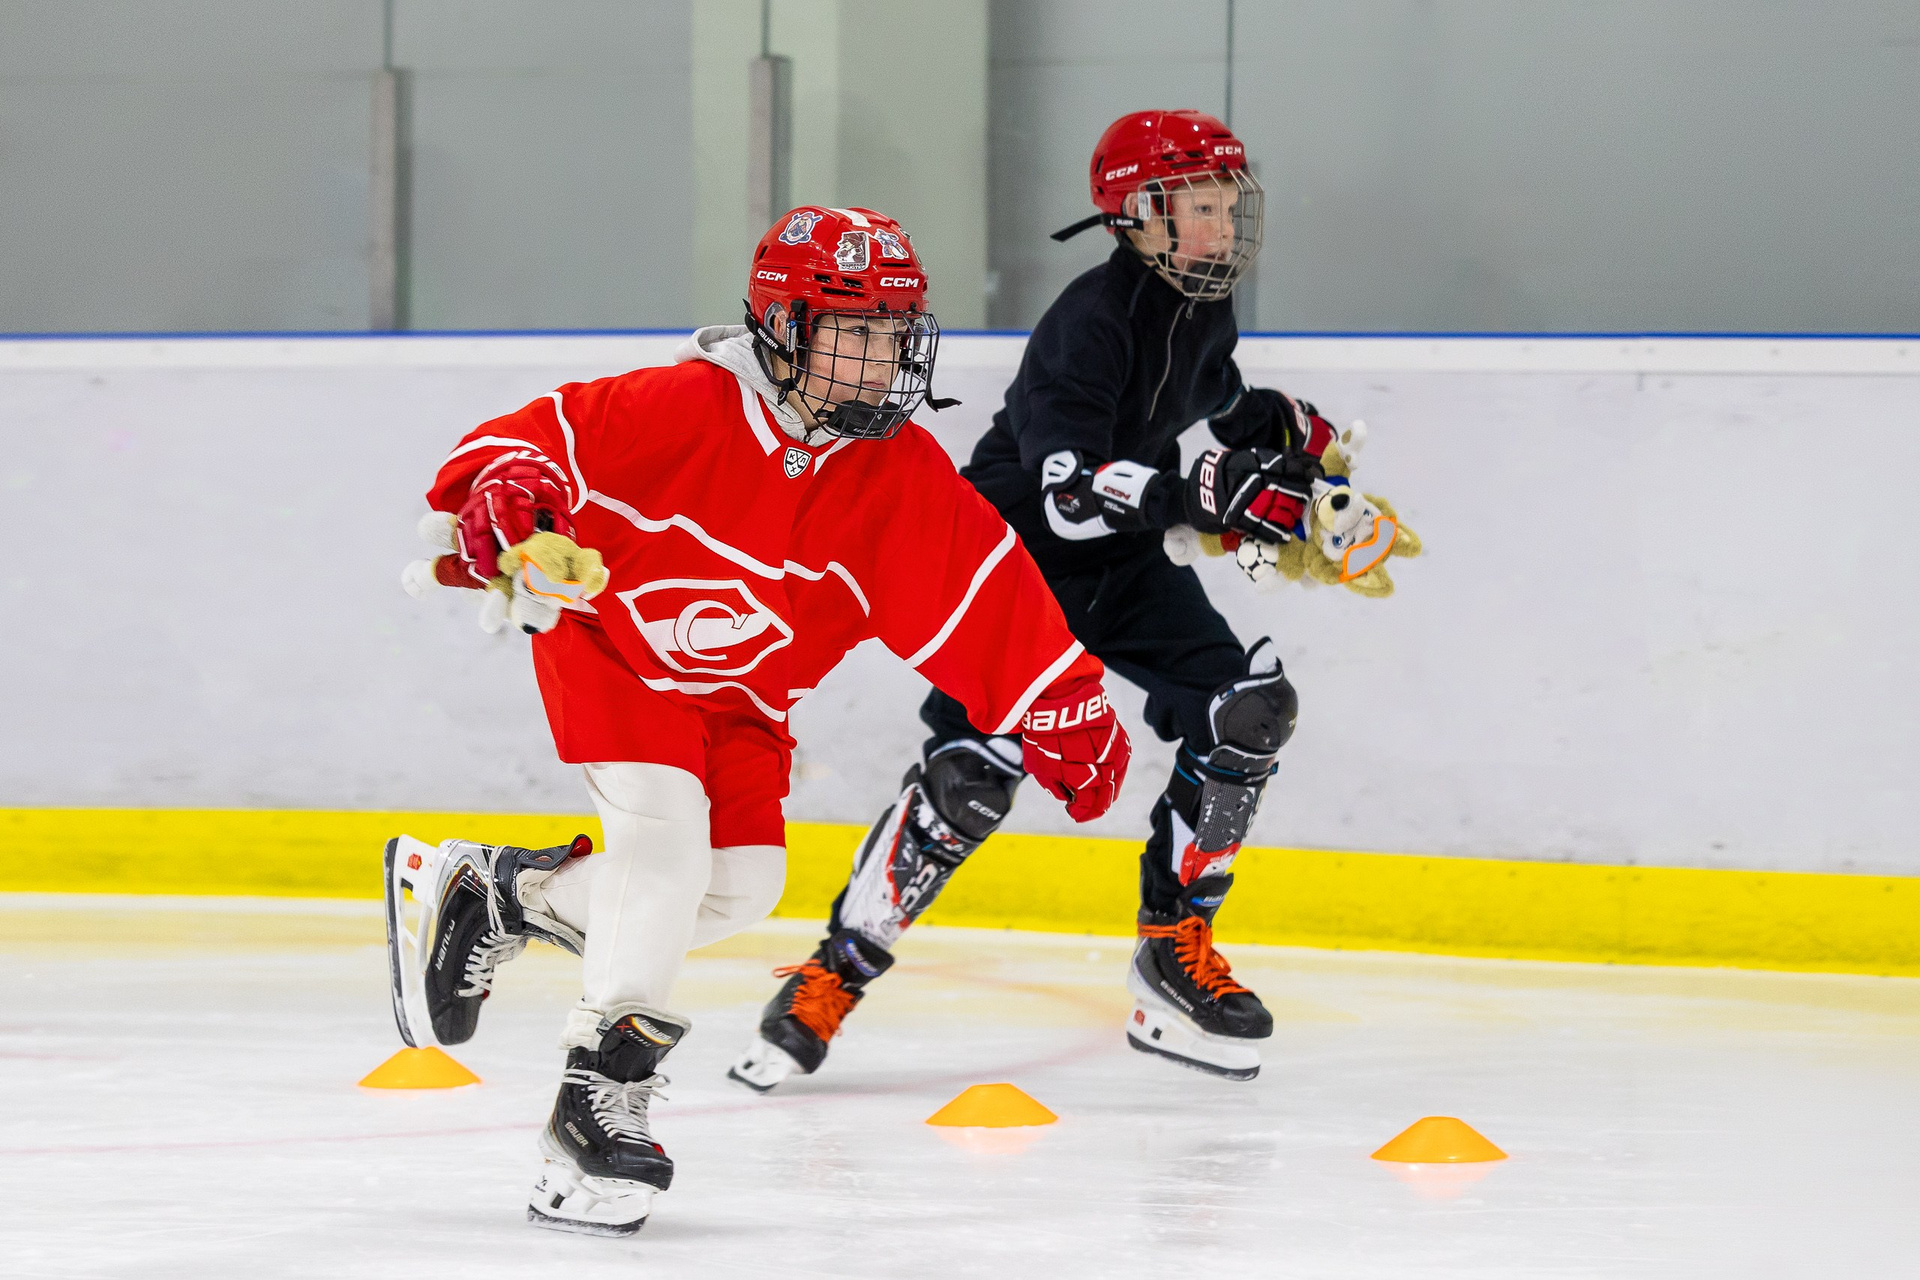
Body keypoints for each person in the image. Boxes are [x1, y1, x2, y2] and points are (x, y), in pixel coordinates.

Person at [385, 205, 1131, 1236]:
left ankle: (505, 894)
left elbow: (980, 593)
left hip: (743, 699)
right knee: (661, 845)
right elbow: (532, 442)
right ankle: (595, 1101)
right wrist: (510, 493)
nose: (880, 359)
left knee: (741, 884)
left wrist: (1061, 703)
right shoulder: (681, 407)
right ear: (783, 327)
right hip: (615, 651)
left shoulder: (896, 470)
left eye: (894, 333)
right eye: (854, 331)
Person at [736, 110, 1363, 1089]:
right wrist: (1203, 498)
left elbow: (1209, 396)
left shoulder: (1202, 310)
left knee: (1246, 710)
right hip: (1014, 566)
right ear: (1139, 215)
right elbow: (1069, 491)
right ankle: (833, 973)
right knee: (970, 781)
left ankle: (1172, 952)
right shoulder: (1088, 320)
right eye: (1200, 207)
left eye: (1228, 205)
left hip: (1123, 564)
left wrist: (1282, 435)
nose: (1222, 226)